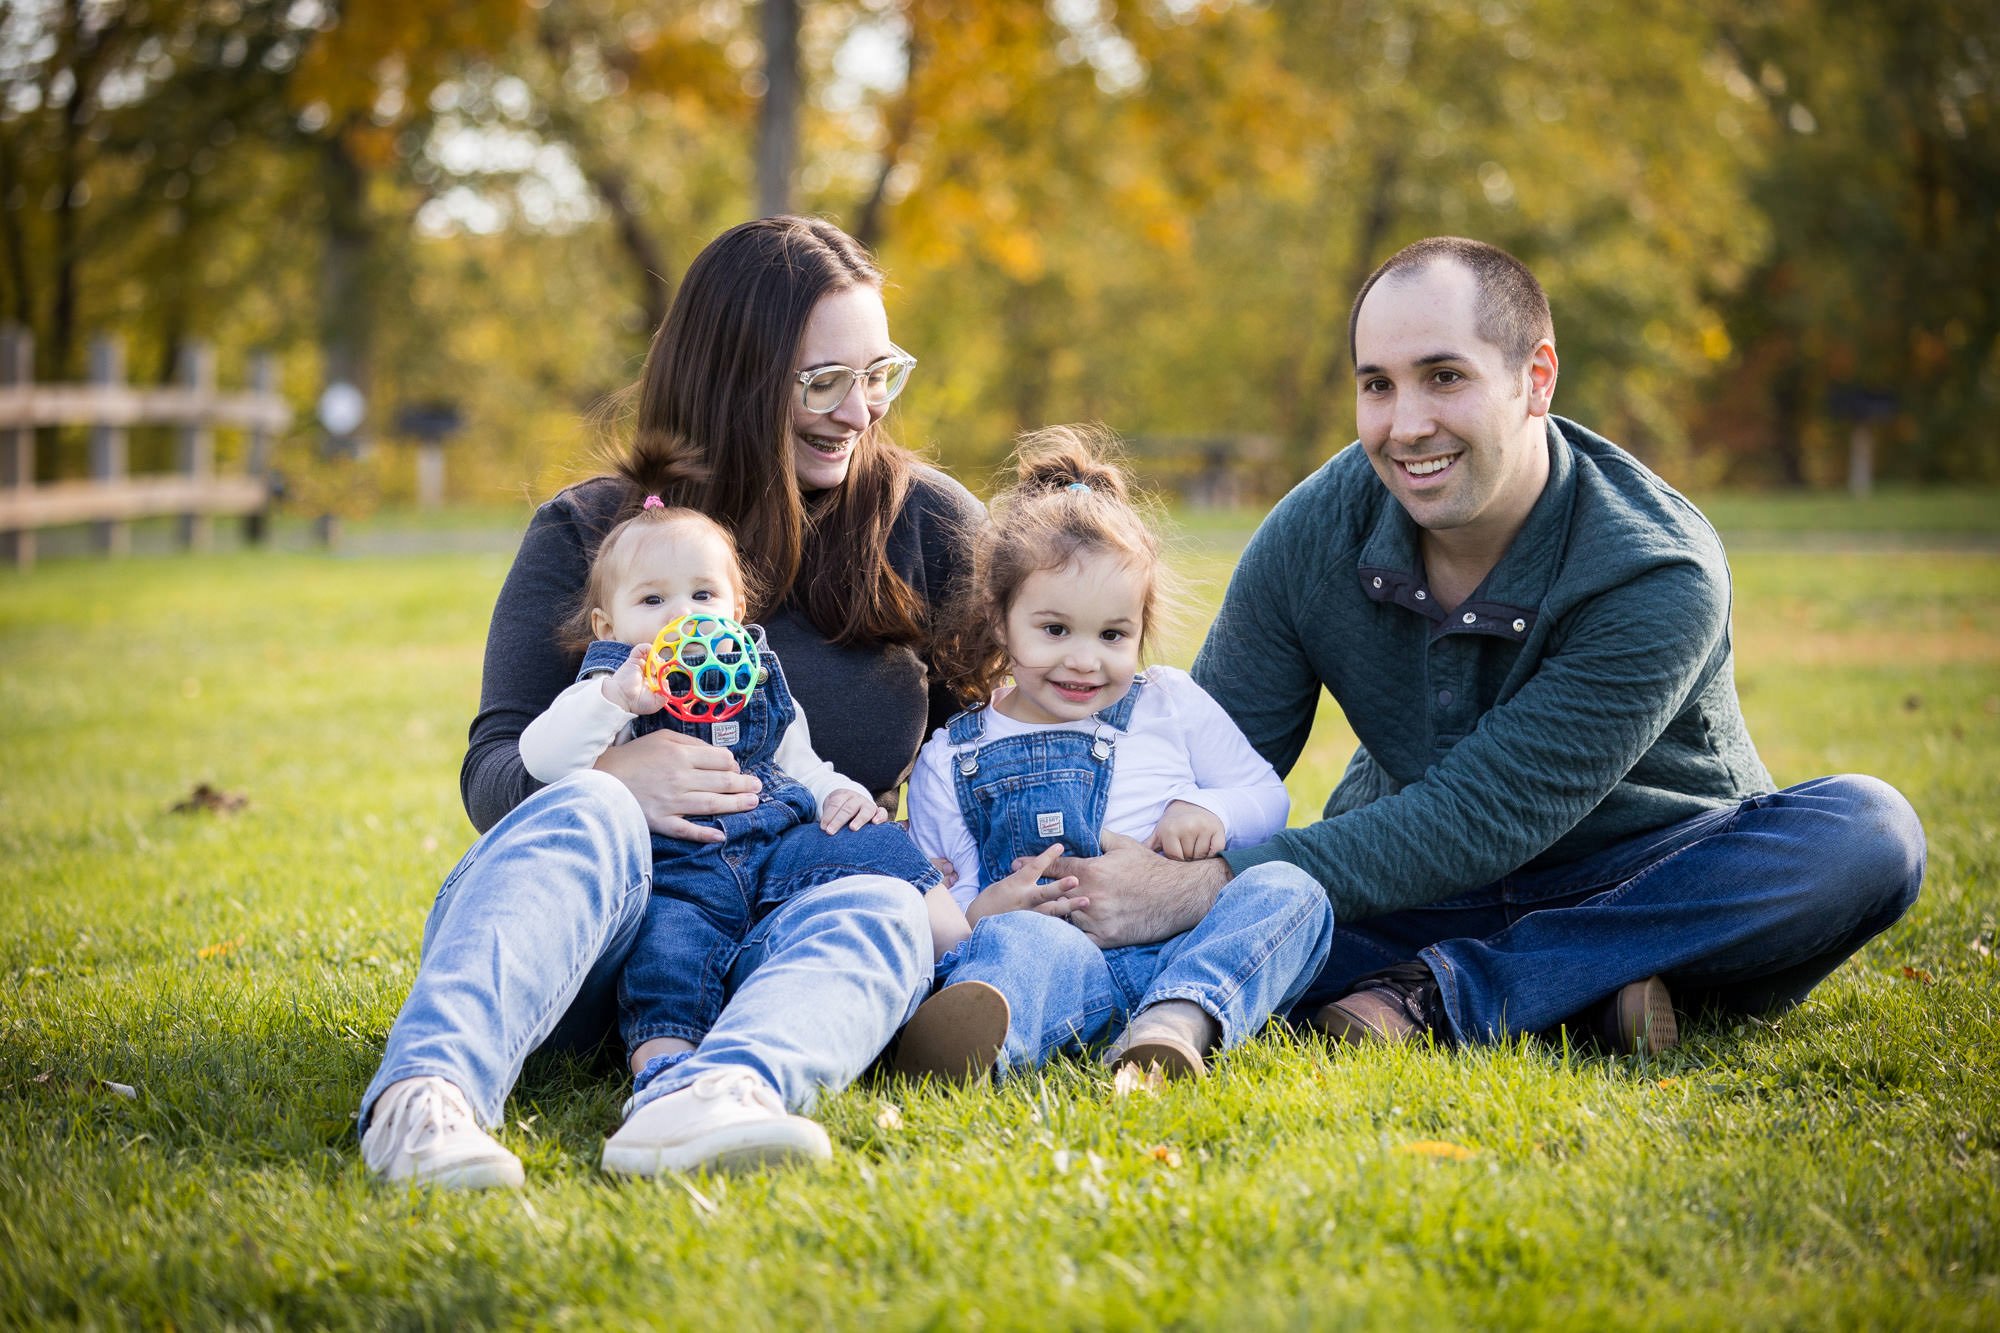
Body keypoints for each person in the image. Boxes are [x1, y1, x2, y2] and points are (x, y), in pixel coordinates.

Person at [1046, 236, 1925, 1054]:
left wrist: (1212, 883)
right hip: (1409, 889)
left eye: (1444, 377)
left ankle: (1442, 992)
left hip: (1648, 885)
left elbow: (1484, 815)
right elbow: (1199, 757)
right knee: (1245, 916)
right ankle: (1582, 997)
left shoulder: (1655, 566)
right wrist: (1076, 874)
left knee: (1868, 834)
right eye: (1377, 385)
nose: (1406, 425)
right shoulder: (1315, 531)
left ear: (1535, 379)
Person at [356, 215, 981, 1189]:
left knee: (885, 904)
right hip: (592, 950)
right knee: (594, 807)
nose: (859, 410)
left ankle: (716, 1091)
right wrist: (617, 772)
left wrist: (986, 888)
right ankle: (426, 1098)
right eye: (823, 381)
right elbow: (493, 775)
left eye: (878, 374)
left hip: (779, 945)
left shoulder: (924, 524)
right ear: (735, 377)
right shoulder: (591, 532)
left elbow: (990, 743)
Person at [515, 493, 945, 1163]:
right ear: (608, 623)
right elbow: (542, 759)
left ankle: (960, 962)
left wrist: (841, 795)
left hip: (776, 847)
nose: (682, 614)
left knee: (875, 845)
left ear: (737, 609)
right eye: (652, 600)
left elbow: (800, 763)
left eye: (703, 594)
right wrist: (612, 700)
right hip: (678, 871)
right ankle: (665, 1076)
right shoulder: (614, 684)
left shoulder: (755, 674)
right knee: (667, 957)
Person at [898, 428, 1333, 1082]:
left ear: (1140, 627)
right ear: (998, 616)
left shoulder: (1169, 703)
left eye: (1112, 634)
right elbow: (950, 896)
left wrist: (1209, 809)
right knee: (1014, 941)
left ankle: (1176, 1020)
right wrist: (983, 911)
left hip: (1179, 948)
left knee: (1292, 890)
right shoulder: (955, 754)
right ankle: (981, 1042)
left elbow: (1268, 799)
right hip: (1058, 963)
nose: (1084, 659)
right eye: (1054, 629)